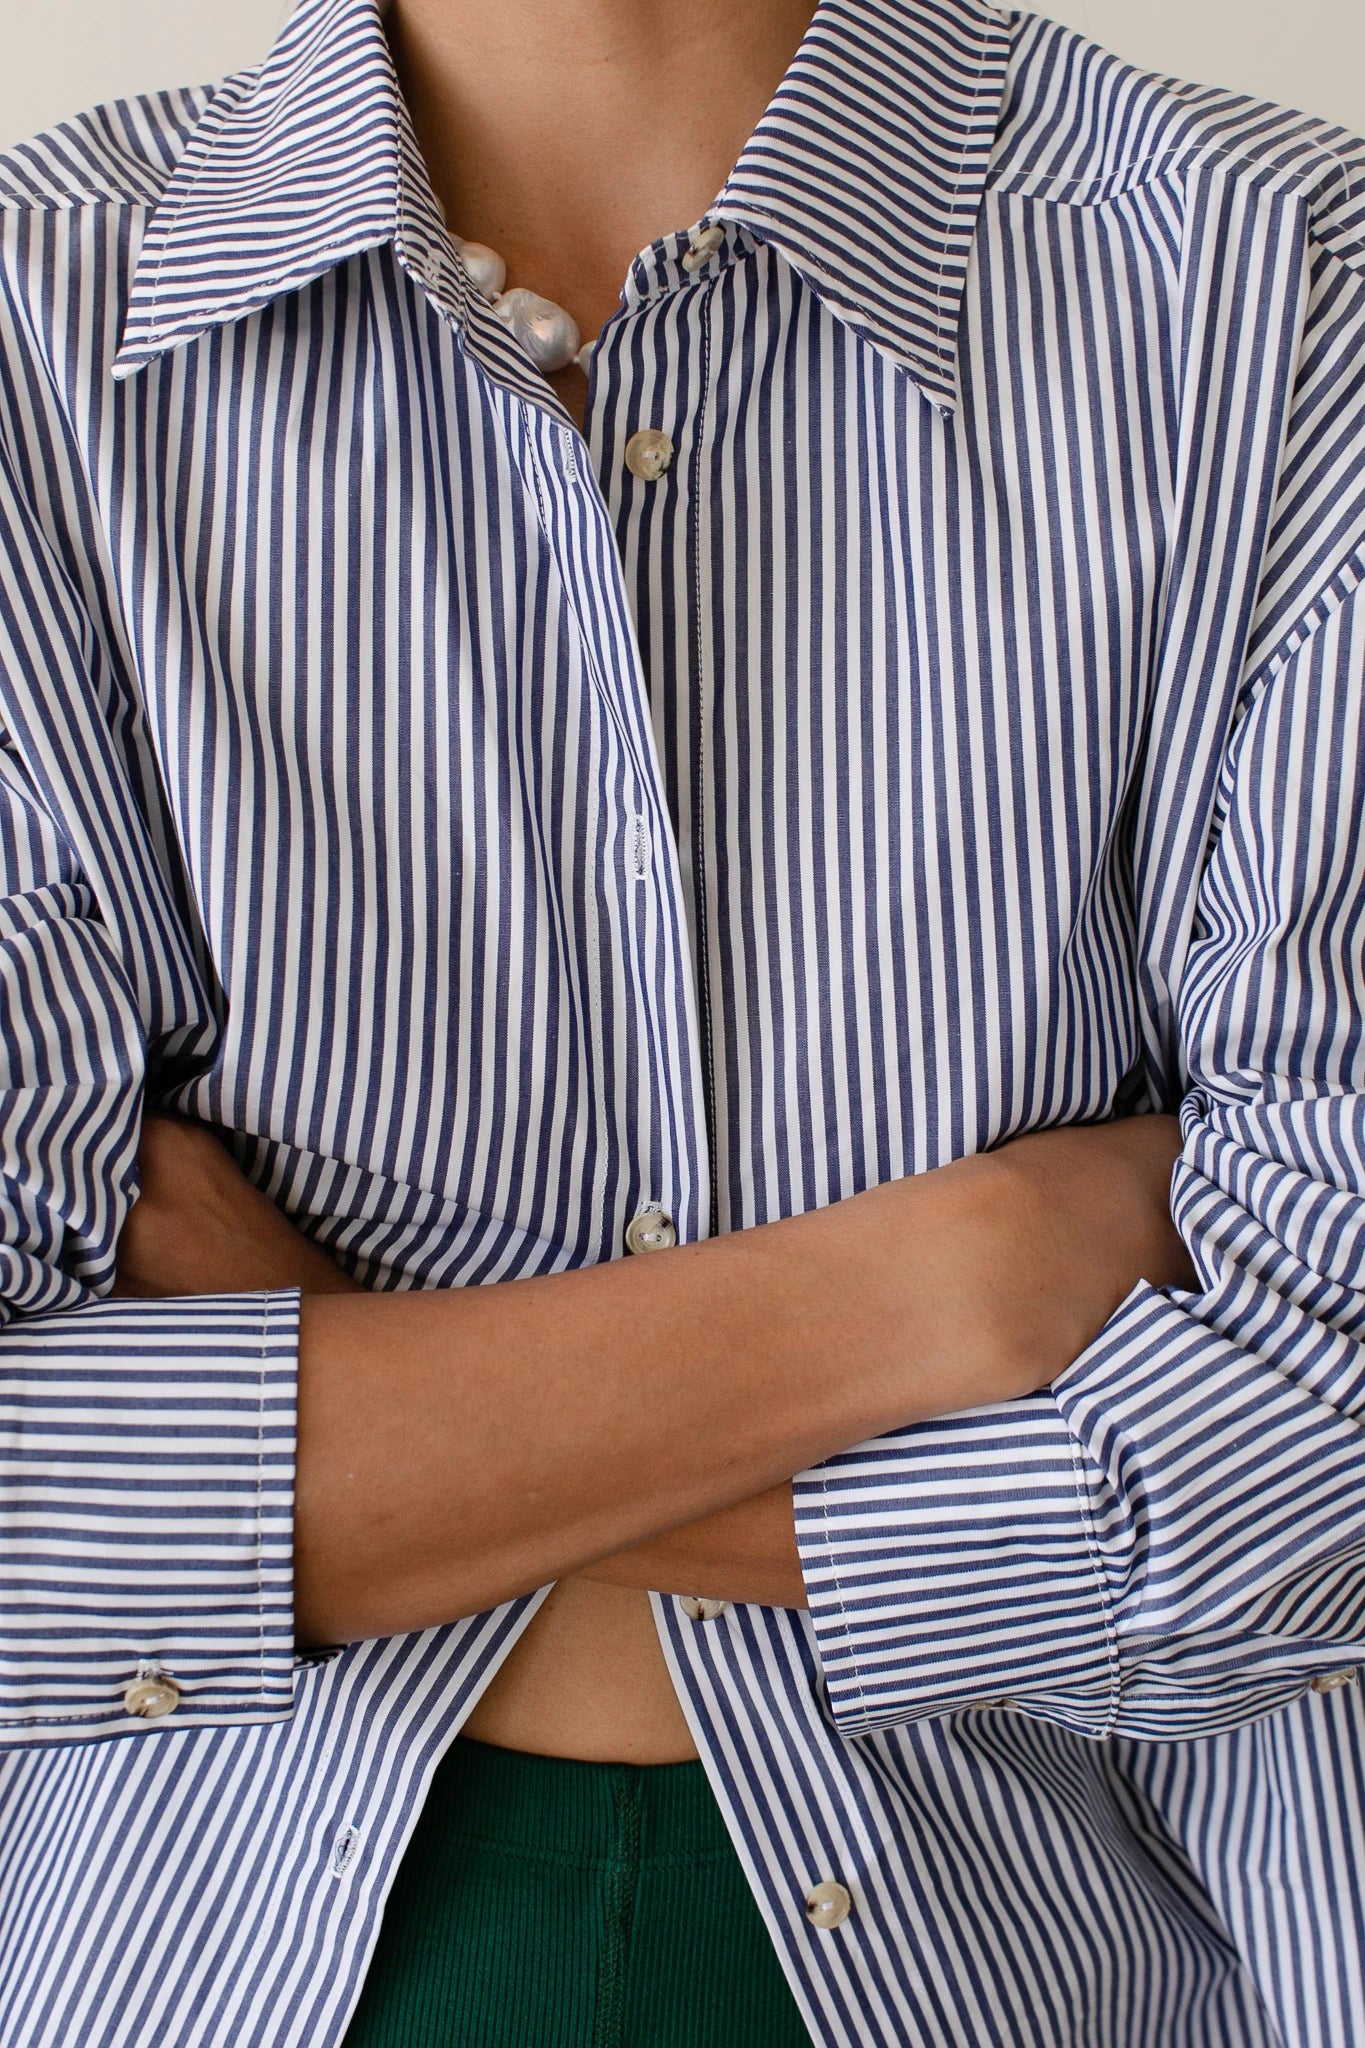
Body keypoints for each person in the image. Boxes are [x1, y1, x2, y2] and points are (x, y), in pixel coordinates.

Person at [0, 0, 1362, 2039]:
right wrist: (933, 1286)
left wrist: (376, 1432)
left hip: (1067, 1948)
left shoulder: (1282, 282)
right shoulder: (37, 319)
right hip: (197, 1956)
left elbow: (1314, 1451)